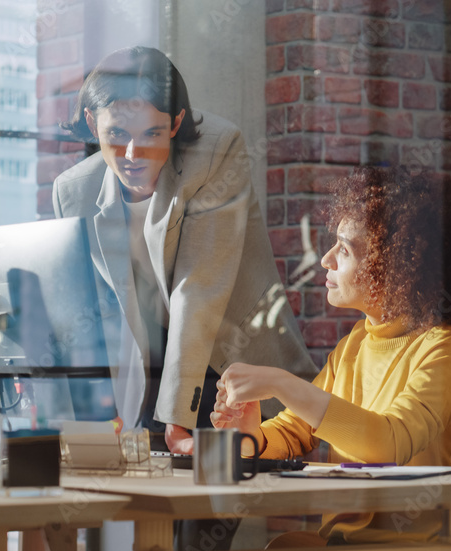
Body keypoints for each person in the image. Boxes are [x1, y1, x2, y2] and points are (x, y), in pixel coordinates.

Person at [53, 46, 318, 455]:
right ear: (92, 123)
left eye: (151, 134)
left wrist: (175, 420)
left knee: (208, 507)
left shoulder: (215, 152)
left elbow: (198, 291)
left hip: (229, 366)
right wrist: (92, 408)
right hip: (149, 373)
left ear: (176, 122)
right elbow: (84, 310)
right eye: (117, 134)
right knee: (147, 504)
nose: (132, 155)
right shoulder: (73, 191)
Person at [212, 166, 451, 545]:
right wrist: (252, 435)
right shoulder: (358, 341)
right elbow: (297, 430)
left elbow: (391, 445)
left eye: (344, 249)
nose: (326, 260)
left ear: (396, 266)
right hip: (349, 545)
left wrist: (282, 383)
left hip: (427, 548)